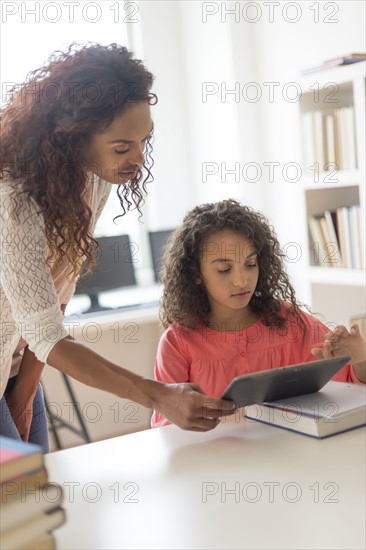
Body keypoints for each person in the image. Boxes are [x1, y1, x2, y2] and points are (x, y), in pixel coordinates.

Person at [0, 43, 236, 452]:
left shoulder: (94, 176)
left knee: (29, 495)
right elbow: (44, 331)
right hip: (22, 343)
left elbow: (55, 300)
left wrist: (23, 393)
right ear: (71, 139)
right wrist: (159, 395)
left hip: (18, 355)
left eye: (144, 141)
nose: (138, 158)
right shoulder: (12, 197)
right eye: (122, 147)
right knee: (15, 505)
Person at [151, 199, 366, 428]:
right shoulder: (178, 343)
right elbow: (165, 429)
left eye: (250, 264)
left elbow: (352, 388)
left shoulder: (289, 320)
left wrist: (361, 357)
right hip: (216, 461)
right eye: (224, 270)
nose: (241, 280)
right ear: (195, 274)